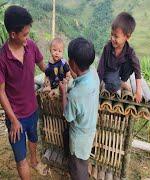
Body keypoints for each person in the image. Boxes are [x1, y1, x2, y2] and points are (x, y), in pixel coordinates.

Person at [0, 5, 48, 179]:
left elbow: (44, 67)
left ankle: (35, 161)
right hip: (16, 117)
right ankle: (28, 164)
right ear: (13, 34)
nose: (28, 39)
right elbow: (1, 93)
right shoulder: (2, 58)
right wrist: (13, 120)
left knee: (33, 138)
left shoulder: (31, 47)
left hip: (32, 109)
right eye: (25, 35)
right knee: (21, 160)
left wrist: (61, 70)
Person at [59, 37, 99, 180]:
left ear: (71, 63)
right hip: (89, 133)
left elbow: (67, 116)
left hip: (78, 141)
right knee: (84, 161)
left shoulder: (75, 94)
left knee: (78, 170)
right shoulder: (94, 74)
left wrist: (64, 93)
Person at [97, 12, 142, 103]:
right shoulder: (108, 48)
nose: (112, 38)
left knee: (133, 62)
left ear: (127, 37)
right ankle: (120, 84)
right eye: (112, 34)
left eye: (116, 36)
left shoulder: (129, 50)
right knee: (111, 85)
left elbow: (137, 69)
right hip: (109, 72)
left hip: (121, 71)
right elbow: (101, 68)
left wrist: (138, 90)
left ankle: (122, 82)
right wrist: (96, 86)